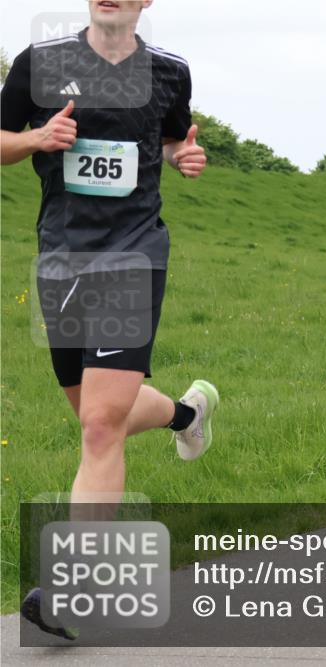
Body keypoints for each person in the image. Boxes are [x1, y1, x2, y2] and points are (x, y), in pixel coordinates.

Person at [0, 0, 218, 638]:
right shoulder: (40, 64)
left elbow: (176, 137)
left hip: (134, 254)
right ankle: (186, 413)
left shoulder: (170, 72)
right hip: (62, 259)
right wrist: (37, 139)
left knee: (99, 427)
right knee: (98, 415)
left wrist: (184, 157)